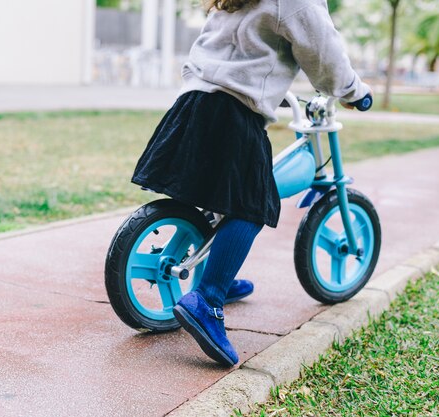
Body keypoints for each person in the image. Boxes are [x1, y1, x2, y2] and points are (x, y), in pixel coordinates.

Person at [131, 0, 372, 367]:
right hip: (234, 111)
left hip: (194, 100)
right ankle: (208, 297)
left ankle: (216, 278)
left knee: (219, 194)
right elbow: (324, 52)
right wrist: (354, 91)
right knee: (252, 205)